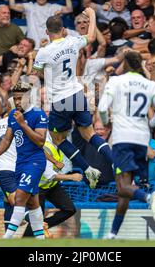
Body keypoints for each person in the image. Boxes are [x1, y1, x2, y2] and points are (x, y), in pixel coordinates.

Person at [33, 10, 114, 188]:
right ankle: (115, 162)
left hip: (60, 100)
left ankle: (88, 169)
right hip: (77, 94)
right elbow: (91, 37)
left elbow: (36, 71)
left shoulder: (44, 52)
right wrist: (92, 14)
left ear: (47, 32)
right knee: (90, 134)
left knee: (58, 139)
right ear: (63, 29)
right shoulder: (72, 41)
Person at [98, 51, 155, 239]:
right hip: (142, 140)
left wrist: (106, 122)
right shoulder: (150, 84)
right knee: (125, 191)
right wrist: (151, 124)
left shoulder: (116, 81)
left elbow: (102, 108)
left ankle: (148, 197)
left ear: (126, 64)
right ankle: (112, 233)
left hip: (123, 139)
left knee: (122, 187)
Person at [0, 82, 48, 239]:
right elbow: (7, 139)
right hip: (20, 163)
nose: (16, 102)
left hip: (35, 162)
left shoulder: (39, 114)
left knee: (19, 198)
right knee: (33, 204)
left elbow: (41, 141)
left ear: (28, 97)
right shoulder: (12, 115)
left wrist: (23, 124)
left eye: (20, 98)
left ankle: (6, 238)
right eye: (14, 99)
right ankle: (41, 239)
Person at [9, 0, 73, 49]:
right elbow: (12, 6)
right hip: (32, 48)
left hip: (49, 47)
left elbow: (69, 9)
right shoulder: (30, 6)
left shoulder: (53, 7)